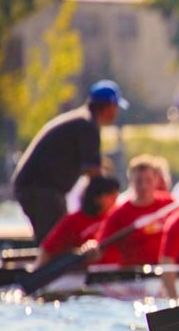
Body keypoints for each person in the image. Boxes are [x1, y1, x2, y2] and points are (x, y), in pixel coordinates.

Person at [12, 79, 125, 243]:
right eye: (115, 108)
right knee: (56, 243)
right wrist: (112, 202)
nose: (116, 113)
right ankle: (48, 268)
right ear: (108, 107)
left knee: (60, 238)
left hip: (41, 188)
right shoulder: (87, 125)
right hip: (40, 189)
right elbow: (94, 174)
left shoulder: (82, 121)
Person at [92, 155, 176, 266]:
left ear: (156, 179)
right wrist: (92, 250)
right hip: (133, 276)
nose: (144, 186)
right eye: (139, 181)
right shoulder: (119, 213)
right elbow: (101, 247)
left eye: (148, 180)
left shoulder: (170, 205)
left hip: (164, 272)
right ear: (131, 180)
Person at [35, 176, 120, 267]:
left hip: (118, 274)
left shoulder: (118, 217)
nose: (115, 199)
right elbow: (47, 250)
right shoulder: (73, 221)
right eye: (111, 195)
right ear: (97, 198)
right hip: (82, 276)